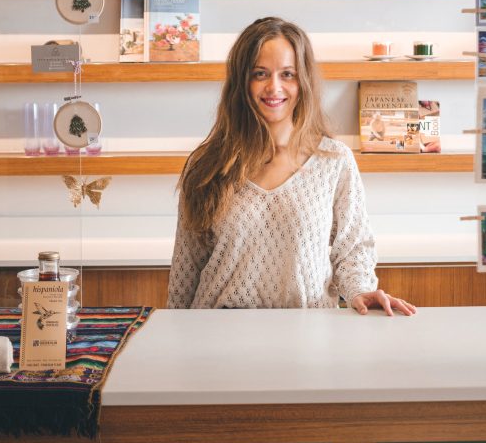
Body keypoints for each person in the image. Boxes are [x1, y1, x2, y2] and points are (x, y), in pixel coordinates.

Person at [168, 17, 416, 316]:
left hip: (309, 336)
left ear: (304, 82)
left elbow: (353, 249)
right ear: (241, 82)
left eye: (288, 74)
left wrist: (361, 290)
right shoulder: (207, 165)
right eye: (260, 73)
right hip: (217, 334)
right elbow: (186, 268)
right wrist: (174, 333)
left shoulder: (334, 161)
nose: (274, 87)